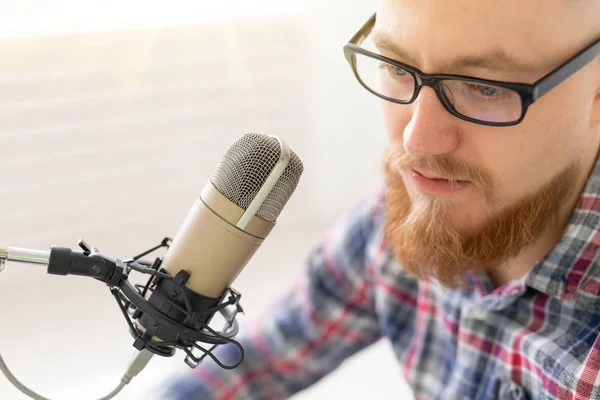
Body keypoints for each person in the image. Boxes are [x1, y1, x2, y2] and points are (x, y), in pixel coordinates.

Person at [153, 0, 600, 398]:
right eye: (398, 68)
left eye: (484, 87)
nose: (417, 141)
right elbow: (257, 363)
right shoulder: (403, 217)